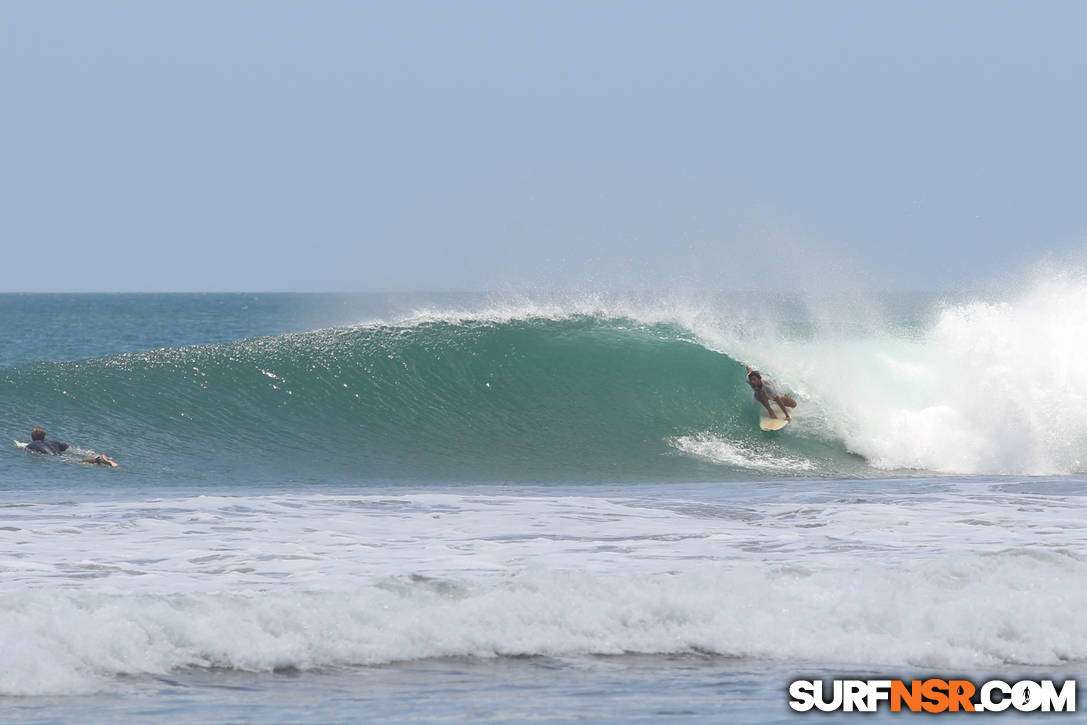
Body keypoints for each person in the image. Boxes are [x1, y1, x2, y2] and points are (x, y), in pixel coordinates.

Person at [25, 427, 117, 466]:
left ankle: (98, 459)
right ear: (44, 436)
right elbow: (65, 446)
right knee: (75, 459)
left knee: (79, 461)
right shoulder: (52, 441)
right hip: (58, 453)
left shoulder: (31, 445)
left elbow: (30, 450)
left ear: (32, 437)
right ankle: (99, 460)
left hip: (54, 457)